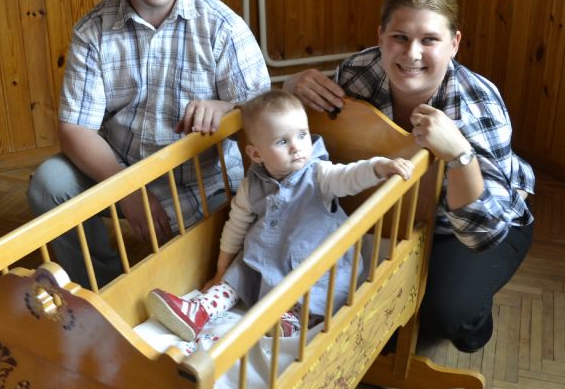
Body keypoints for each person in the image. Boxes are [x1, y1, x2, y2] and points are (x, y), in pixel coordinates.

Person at [27, 0, 270, 288]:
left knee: (201, 284)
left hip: (202, 182)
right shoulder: (92, 32)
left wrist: (226, 106)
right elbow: (75, 129)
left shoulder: (222, 26)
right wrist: (129, 189)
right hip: (120, 169)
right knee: (50, 183)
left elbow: (265, 111)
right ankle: (99, 289)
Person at [283, 0, 534, 353]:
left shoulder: (478, 105)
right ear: (381, 36)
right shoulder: (357, 73)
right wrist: (289, 91)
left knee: (450, 312)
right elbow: (321, 142)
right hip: (394, 212)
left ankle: (473, 319)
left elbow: (482, 234)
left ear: (454, 43)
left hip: (474, 224)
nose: (412, 54)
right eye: (400, 37)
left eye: (429, 40)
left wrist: (459, 154)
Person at [146, 89, 414, 343]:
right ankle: (199, 310)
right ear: (256, 154)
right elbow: (235, 227)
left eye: (302, 135)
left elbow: (349, 176)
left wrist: (379, 167)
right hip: (266, 260)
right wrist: (220, 271)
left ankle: (290, 322)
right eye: (282, 141)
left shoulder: (319, 175)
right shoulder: (251, 186)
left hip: (313, 264)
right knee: (236, 276)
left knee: (313, 293)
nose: (296, 147)